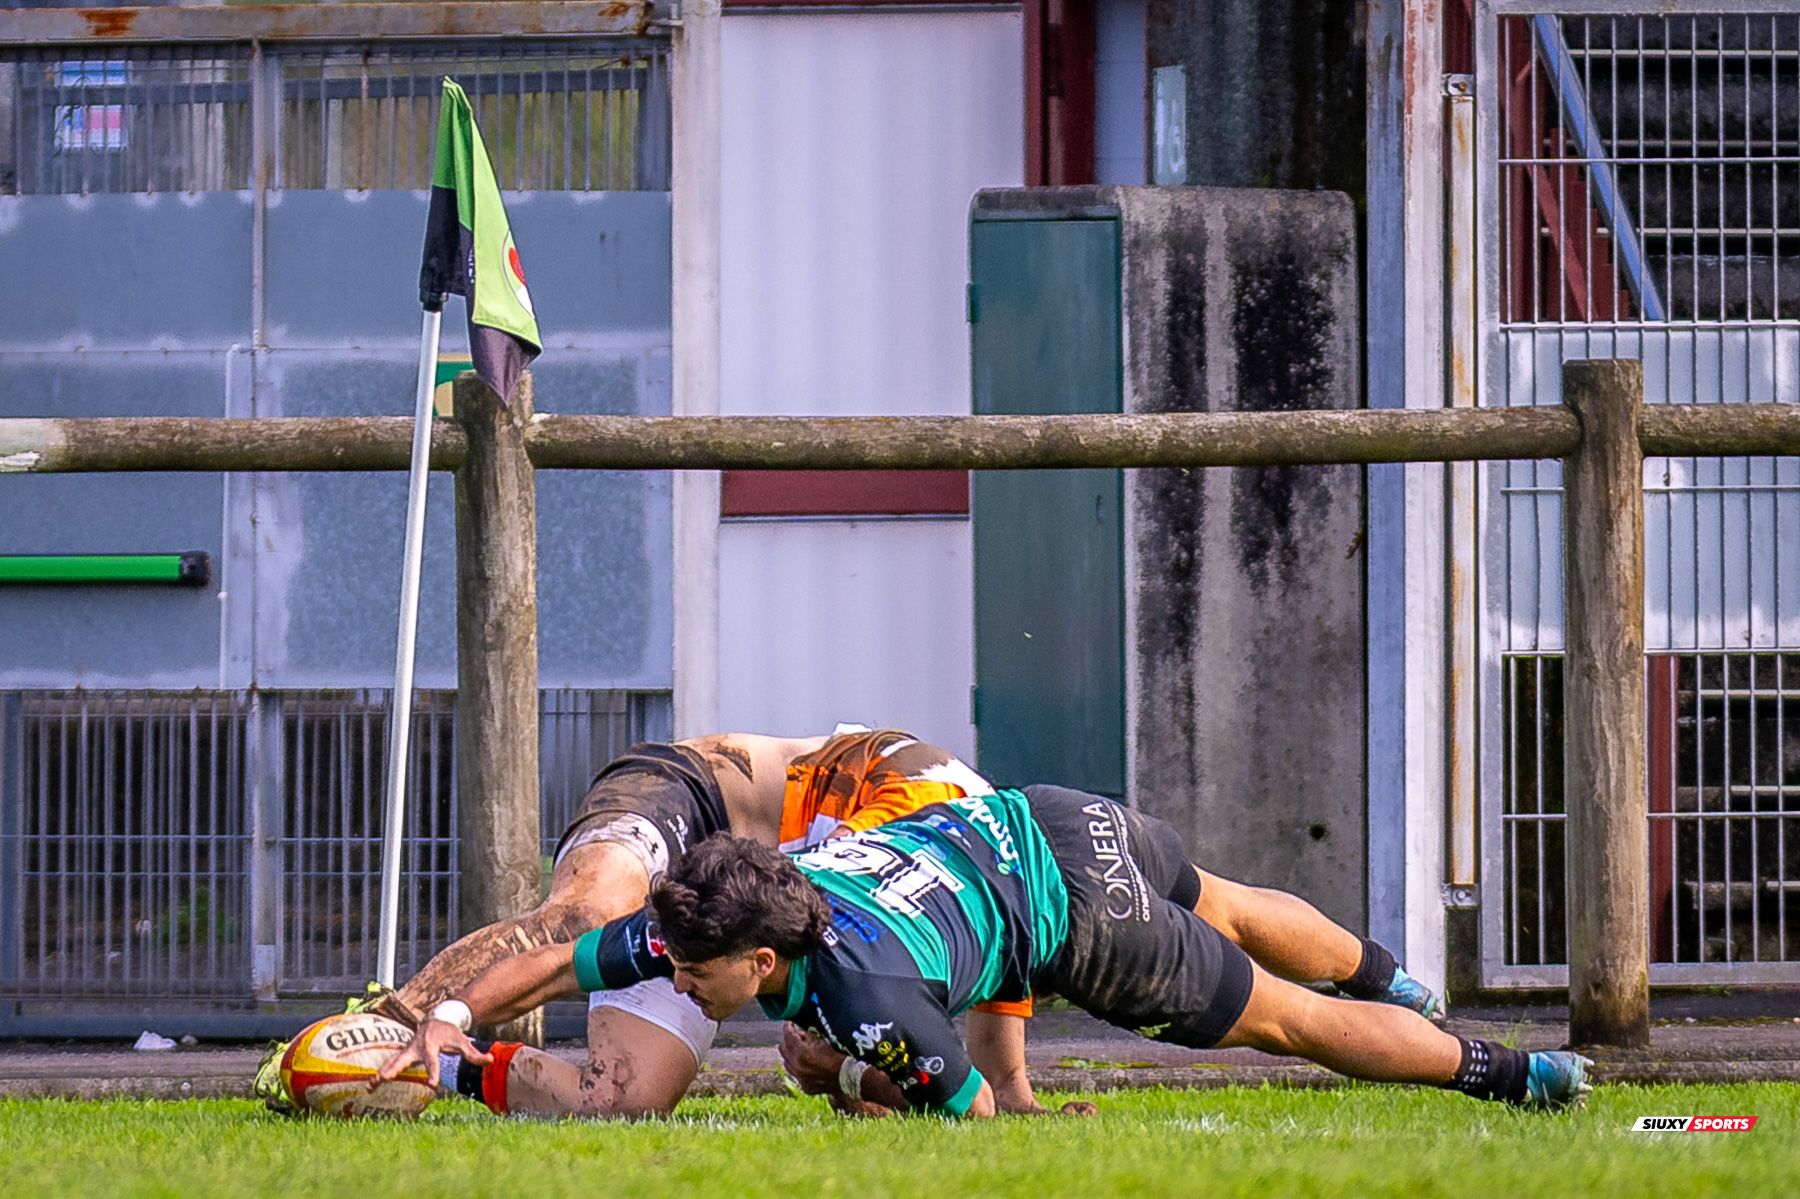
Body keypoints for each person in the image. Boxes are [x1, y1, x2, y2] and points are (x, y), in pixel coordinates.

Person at [384, 786, 1558, 1121]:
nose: (676, 984)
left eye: (695, 974)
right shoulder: (719, 907)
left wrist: (848, 1075)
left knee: (1282, 1020)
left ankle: (1504, 1072)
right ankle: (1391, 969)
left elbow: (968, 1114)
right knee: (1231, 897)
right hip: (1037, 807)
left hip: (1079, 917)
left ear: (759, 959)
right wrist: (448, 1026)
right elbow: (554, 960)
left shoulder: (866, 991)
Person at [259, 726, 1002, 1115]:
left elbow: (1008, 963)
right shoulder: (918, 821)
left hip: (735, 912)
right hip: (686, 795)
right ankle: (377, 1028)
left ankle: (440, 1064)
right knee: (583, 917)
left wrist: (1013, 1087)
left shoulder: (985, 877)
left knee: (624, 1101)